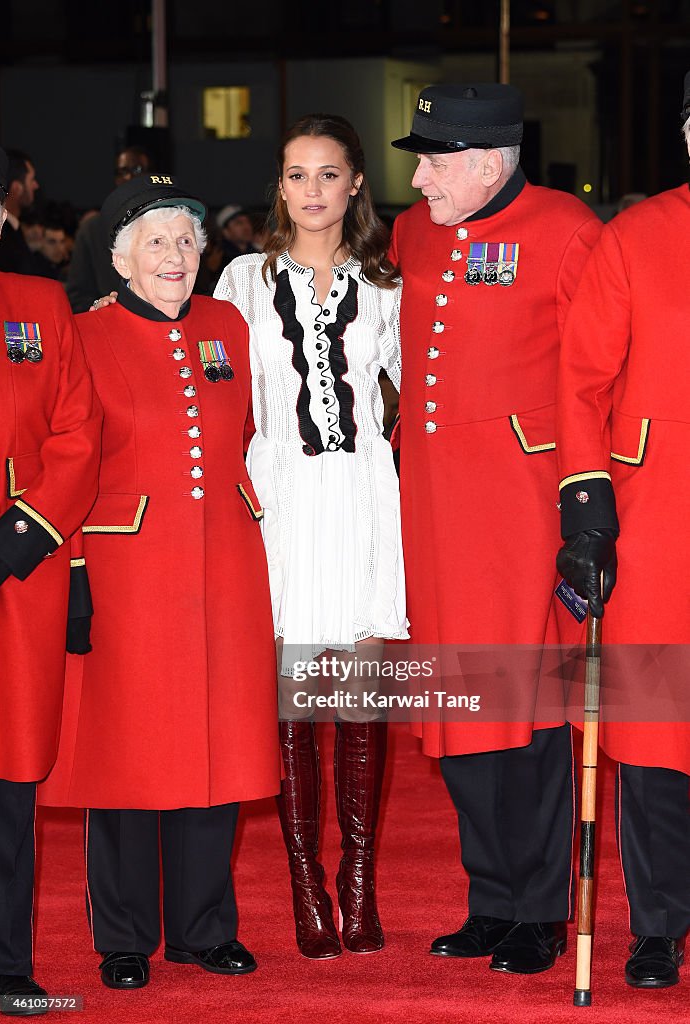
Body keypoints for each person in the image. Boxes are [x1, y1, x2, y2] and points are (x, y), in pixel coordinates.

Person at [39, 174, 281, 990]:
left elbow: (248, 431)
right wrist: (71, 571)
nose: (176, 257)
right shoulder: (81, 335)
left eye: (186, 241)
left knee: (214, 747)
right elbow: (61, 460)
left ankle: (205, 929)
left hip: (224, 567)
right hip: (125, 571)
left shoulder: (226, 324)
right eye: (156, 242)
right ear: (118, 257)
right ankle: (125, 936)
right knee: (125, 757)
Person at [389, 84, 602, 974]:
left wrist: (585, 508)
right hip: (434, 509)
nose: (420, 175)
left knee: (533, 714)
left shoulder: (569, 231)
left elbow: (598, 371)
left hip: (521, 505)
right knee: (457, 709)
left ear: (485, 162)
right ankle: (490, 900)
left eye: (434, 159)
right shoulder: (411, 230)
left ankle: (539, 911)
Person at [213, 114, 407, 959]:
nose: (314, 191)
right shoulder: (241, 282)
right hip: (282, 497)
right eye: (297, 175)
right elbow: (193, 361)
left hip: (364, 494)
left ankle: (359, 886)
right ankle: (307, 890)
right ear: (279, 186)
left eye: (330, 175)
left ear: (357, 182)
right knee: (295, 698)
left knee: (359, 694)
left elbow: (420, 387)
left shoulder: (391, 282)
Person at [555, 70, 690, 990]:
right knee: (655, 729)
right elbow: (581, 378)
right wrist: (588, 505)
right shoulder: (635, 237)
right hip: (660, 519)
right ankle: (662, 923)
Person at [0, 144, 101, 1015]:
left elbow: (77, 436)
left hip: (13, 574)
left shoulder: (36, 307)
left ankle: (5, 962)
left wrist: (23, 531)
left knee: (6, 782)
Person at [66, 146, 154, 312]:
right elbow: (76, 295)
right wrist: (103, 307)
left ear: (149, 175)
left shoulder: (168, 225)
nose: (129, 177)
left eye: (136, 169)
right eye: (122, 171)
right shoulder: (92, 229)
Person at [0, 149, 40, 275]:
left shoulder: (15, 231)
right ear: (17, 188)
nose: (36, 185)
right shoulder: (6, 240)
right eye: (31, 180)